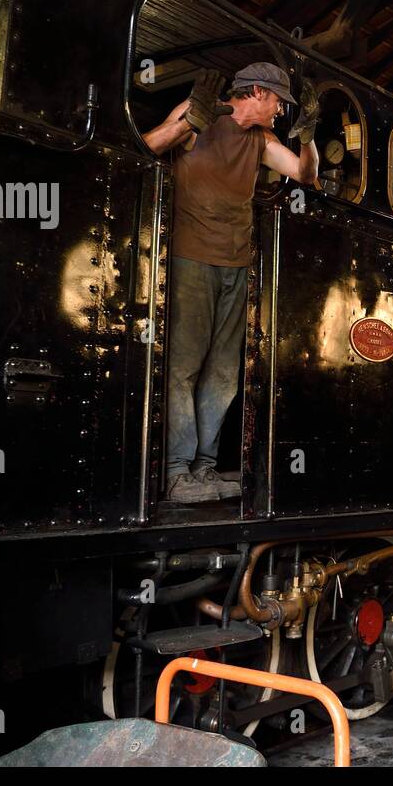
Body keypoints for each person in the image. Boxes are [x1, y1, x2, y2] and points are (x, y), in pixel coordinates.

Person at [144, 62, 319, 502]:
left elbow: (305, 174)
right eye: (279, 101)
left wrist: (310, 136)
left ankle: (204, 470)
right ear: (257, 92)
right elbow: (146, 148)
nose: (280, 110)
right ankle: (175, 471)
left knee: (223, 374)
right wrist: (189, 122)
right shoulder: (199, 112)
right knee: (183, 367)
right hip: (189, 258)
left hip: (236, 265)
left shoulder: (263, 139)